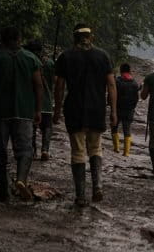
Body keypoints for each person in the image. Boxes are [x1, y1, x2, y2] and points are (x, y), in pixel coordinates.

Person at [53, 24, 117, 207]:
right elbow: (111, 85)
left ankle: (80, 195)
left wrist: (57, 110)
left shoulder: (65, 57)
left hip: (74, 108)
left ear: (74, 38)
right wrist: (113, 111)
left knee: (78, 151)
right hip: (97, 108)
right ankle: (97, 185)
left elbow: (59, 86)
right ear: (91, 37)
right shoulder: (103, 56)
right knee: (96, 148)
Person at [0, 27, 43, 202]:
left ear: (2, 40)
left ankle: (4, 190)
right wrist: (38, 110)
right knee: (25, 150)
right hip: (24, 112)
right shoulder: (31, 58)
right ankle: (21, 179)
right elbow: (38, 86)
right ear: (19, 39)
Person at [24, 40, 55, 161]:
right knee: (47, 126)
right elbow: (55, 80)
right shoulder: (50, 63)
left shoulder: (28, 61)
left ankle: (32, 151)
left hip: (30, 100)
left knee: (32, 126)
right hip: (46, 100)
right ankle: (45, 149)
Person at [112, 63, 141, 156]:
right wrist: (132, 108)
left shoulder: (117, 81)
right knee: (127, 129)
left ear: (121, 71)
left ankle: (116, 148)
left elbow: (112, 95)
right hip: (129, 110)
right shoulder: (134, 83)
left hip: (117, 109)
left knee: (114, 127)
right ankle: (126, 152)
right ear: (129, 71)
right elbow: (136, 98)